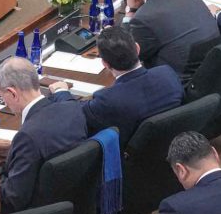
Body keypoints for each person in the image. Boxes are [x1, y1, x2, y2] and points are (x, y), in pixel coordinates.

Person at [0, 55, 88, 214]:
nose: (5, 103)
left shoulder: (28, 136)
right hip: (77, 207)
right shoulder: (72, 108)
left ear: (13, 93)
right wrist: (12, 148)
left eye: (2, 97)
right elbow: (48, 147)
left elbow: (11, 200)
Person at [51, 26, 182, 144]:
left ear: (105, 64)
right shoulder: (167, 74)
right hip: (173, 146)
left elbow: (74, 114)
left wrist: (61, 92)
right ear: (137, 48)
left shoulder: (107, 100)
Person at [120, 0, 219, 79]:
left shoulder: (144, 18)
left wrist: (131, 11)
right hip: (212, 74)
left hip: (178, 83)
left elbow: (125, 56)